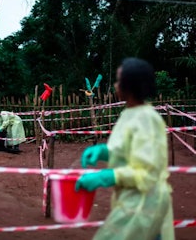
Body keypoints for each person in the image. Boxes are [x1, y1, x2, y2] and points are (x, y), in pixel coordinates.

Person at [75, 58, 175, 240]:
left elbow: (148, 173)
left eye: (118, 81)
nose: (115, 85)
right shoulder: (128, 113)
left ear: (129, 85)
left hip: (146, 203)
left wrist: (107, 176)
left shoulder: (147, 119)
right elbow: (127, 151)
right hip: (132, 200)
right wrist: (105, 152)